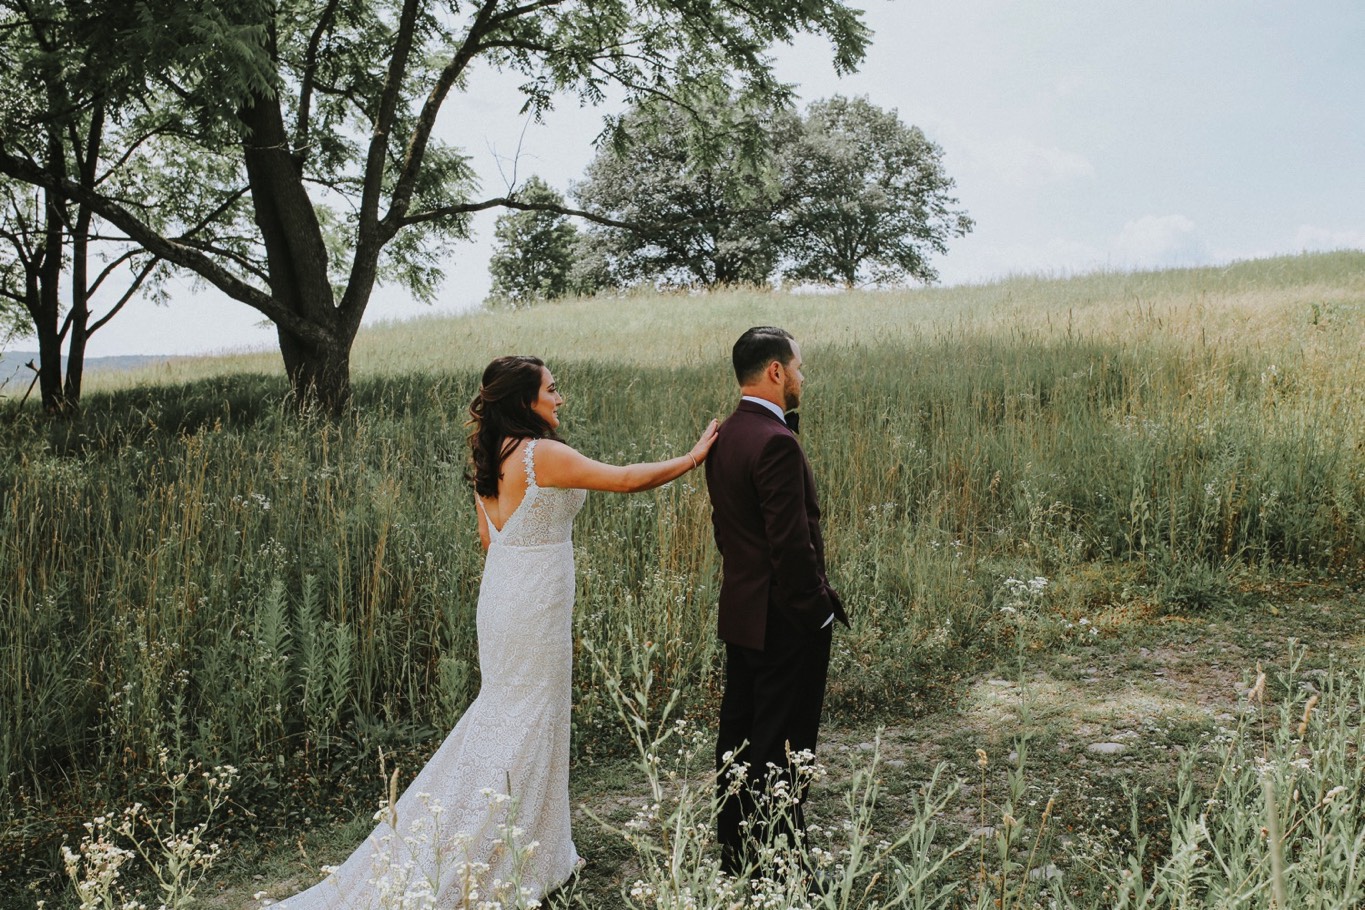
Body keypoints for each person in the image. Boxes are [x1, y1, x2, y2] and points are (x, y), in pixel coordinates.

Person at [276, 355, 717, 909]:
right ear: (524, 400)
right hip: (536, 602)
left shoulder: (489, 454)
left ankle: (528, 844)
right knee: (529, 718)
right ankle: (499, 850)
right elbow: (626, 481)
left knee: (510, 712)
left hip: (505, 595)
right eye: (551, 390)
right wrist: (695, 456)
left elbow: (491, 541)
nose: (560, 398)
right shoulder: (541, 455)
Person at [704, 326, 848, 878]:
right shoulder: (776, 442)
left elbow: (728, 530)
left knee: (741, 735)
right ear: (775, 372)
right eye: (799, 368)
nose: (802, 378)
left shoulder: (726, 436)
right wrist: (818, 609)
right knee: (785, 744)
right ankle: (781, 862)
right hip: (787, 619)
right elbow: (792, 545)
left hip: (742, 609)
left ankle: (739, 853)